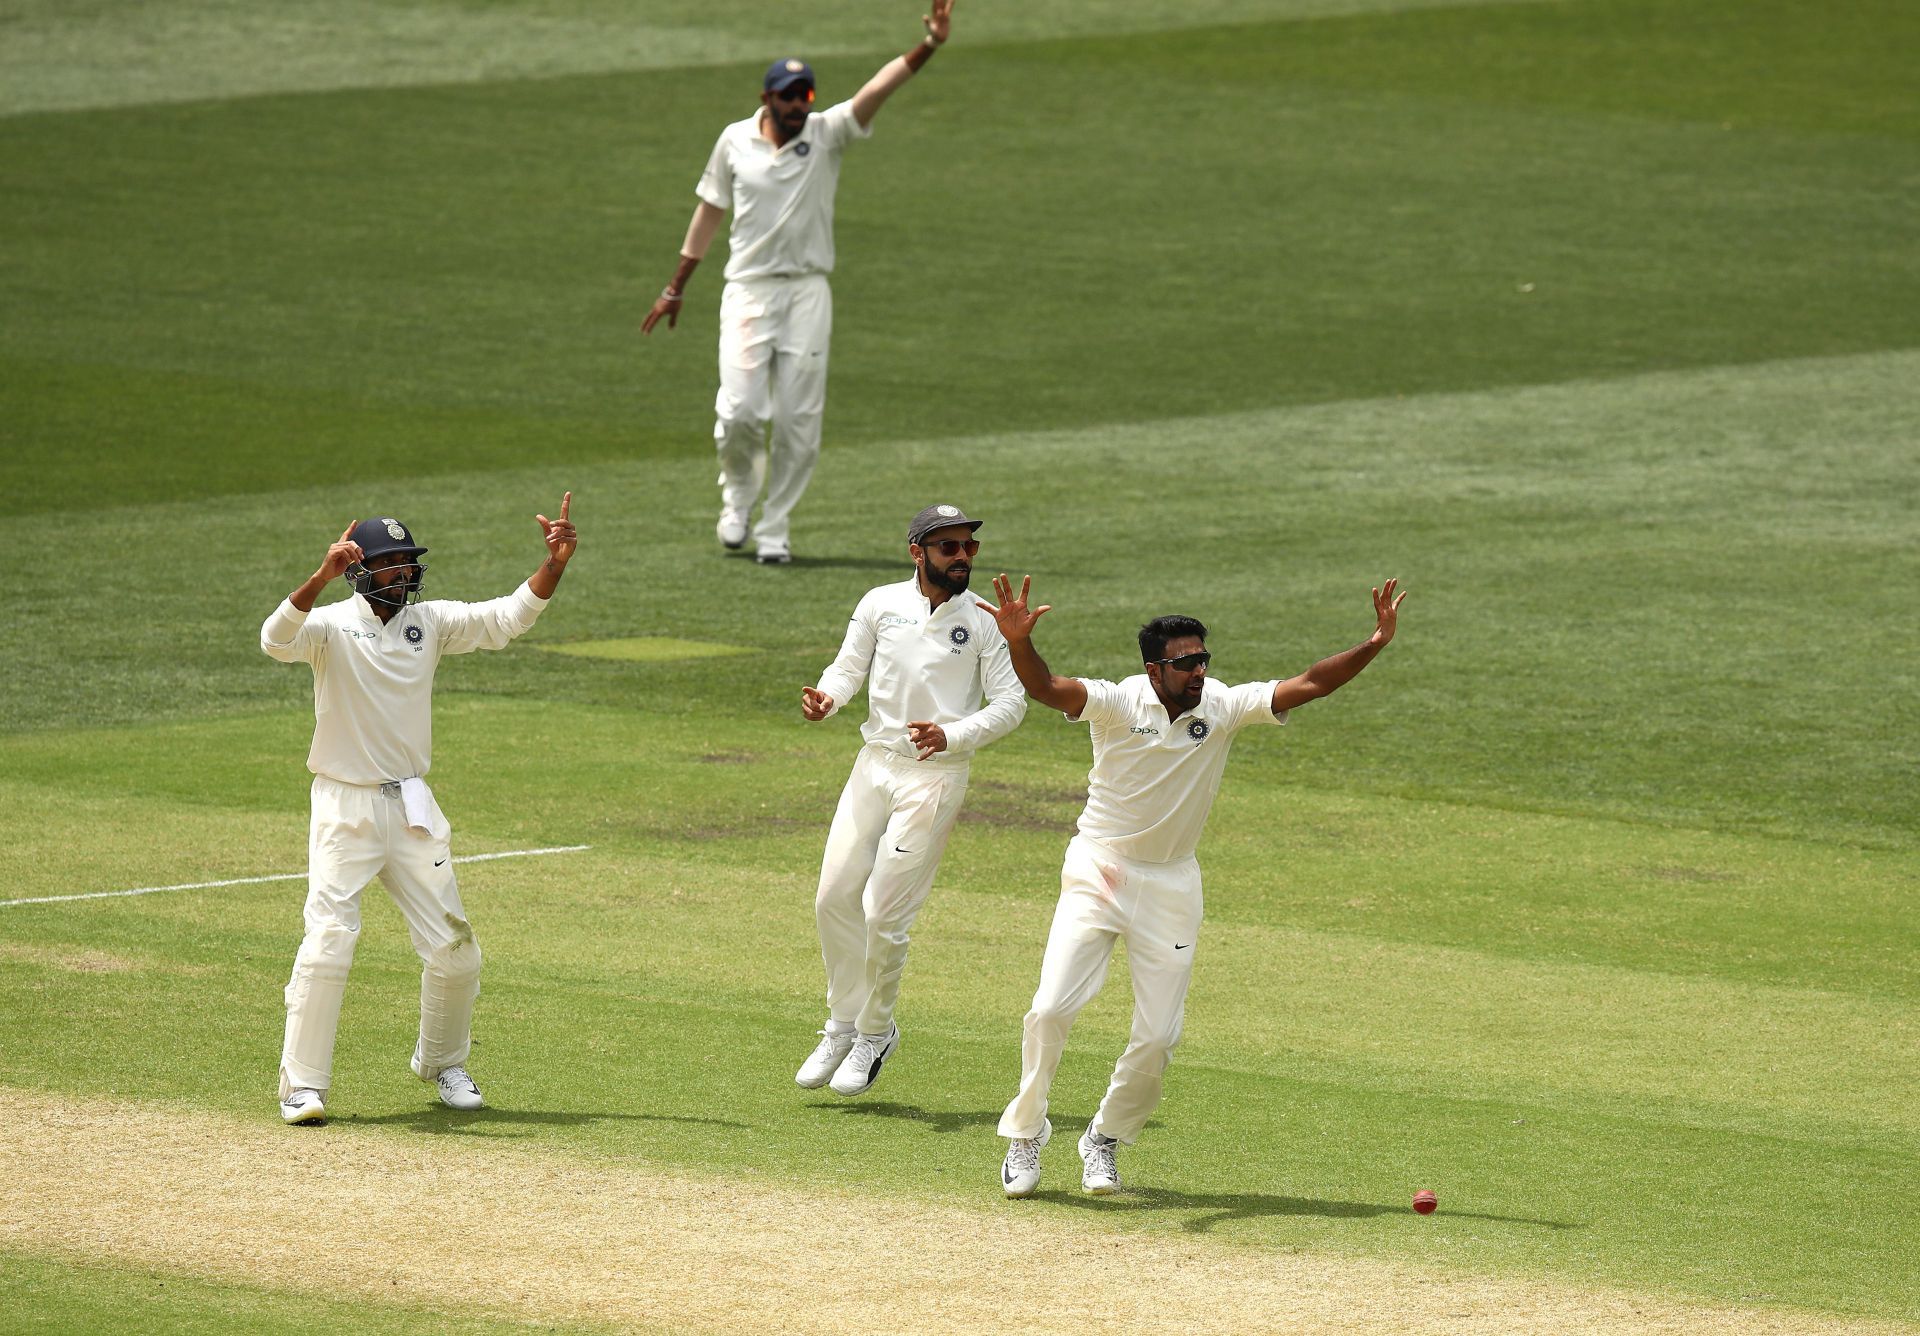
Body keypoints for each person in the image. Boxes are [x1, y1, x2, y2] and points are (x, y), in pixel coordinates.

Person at [978, 573, 1406, 1196]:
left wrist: (1374, 643)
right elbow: (1045, 687)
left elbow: (1311, 684)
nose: (1199, 671)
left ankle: (1104, 1139)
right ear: (1154, 669)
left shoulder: (1223, 707)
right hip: (1099, 868)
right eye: (1186, 662)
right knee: (1050, 1009)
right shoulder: (1120, 702)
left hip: (1172, 884)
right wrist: (1018, 642)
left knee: (1157, 1038)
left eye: (1203, 658)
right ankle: (1026, 1133)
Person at [259, 498, 578, 1125]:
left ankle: (444, 1063)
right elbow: (274, 641)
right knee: (330, 941)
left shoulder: (427, 622)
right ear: (359, 571)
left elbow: (508, 618)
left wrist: (554, 565)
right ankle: (302, 1085)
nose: (403, 575)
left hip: (410, 804)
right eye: (390, 565)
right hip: (344, 804)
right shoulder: (328, 626)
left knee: (456, 949)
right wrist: (318, 576)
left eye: (409, 564)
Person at [640, 1, 958, 566]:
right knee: (740, 411)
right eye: (787, 96)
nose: (796, 105)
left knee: (797, 419)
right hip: (748, 288)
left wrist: (929, 46)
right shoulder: (735, 140)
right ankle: (737, 499)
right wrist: (676, 284)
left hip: (809, 291)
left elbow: (874, 92)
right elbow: (709, 210)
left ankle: (775, 526)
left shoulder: (826, 133)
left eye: (804, 95)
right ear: (767, 98)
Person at [796, 504, 1027, 1095]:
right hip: (873, 765)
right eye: (948, 547)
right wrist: (827, 697)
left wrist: (953, 734)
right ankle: (842, 1024)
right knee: (832, 897)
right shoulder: (880, 603)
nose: (962, 558)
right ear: (917, 553)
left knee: (883, 913)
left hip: (936, 775)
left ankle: (875, 1032)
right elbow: (848, 667)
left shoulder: (983, 620)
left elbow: (1011, 704)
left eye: (968, 548)